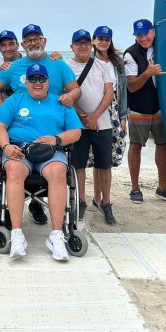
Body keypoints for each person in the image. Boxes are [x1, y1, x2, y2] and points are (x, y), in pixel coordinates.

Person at [0, 23, 81, 224]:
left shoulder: (58, 64)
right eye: (29, 40)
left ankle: (40, 209)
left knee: (55, 169)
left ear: (44, 40)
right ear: (23, 44)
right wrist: (6, 110)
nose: (33, 43)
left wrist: (70, 97)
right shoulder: (14, 67)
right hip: (22, 131)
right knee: (16, 168)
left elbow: (75, 89)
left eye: (36, 39)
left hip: (52, 127)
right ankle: (15, 217)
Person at [0, 64, 82, 261]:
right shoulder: (14, 100)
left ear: (48, 81)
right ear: (26, 82)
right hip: (20, 149)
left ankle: (56, 235)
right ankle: (17, 233)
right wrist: (6, 146)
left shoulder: (61, 102)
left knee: (58, 171)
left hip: (51, 150)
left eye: (42, 79)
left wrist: (57, 139)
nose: (37, 83)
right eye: (32, 79)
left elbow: (76, 132)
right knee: (13, 169)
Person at [124, 19, 166, 205]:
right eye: (139, 35)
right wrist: (147, 73)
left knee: (163, 146)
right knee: (135, 147)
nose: (143, 38)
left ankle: (162, 188)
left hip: (161, 108)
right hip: (139, 108)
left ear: (153, 32)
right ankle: (135, 189)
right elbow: (131, 86)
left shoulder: (163, 49)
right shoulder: (130, 54)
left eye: (145, 34)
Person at [66, 30, 117, 225]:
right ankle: (81, 201)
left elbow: (109, 93)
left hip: (102, 124)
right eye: (78, 43)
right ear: (72, 46)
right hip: (77, 125)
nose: (83, 46)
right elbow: (64, 94)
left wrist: (94, 116)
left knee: (104, 165)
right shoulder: (66, 66)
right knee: (78, 165)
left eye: (86, 43)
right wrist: (83, 115)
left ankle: (106, 202)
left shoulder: (102, 65)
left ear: (91, 45)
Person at [91, 25, 128, 212]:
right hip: (93, 109)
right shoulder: (89, 61)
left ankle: (104, 198)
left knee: (107, 157)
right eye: (100, 38)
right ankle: (97, 197)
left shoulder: (117, 63)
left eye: (107, 39)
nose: (103, 42)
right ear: (93, 40)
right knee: (96, 156)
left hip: (112, 110)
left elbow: (122, 91)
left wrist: (123, 116)